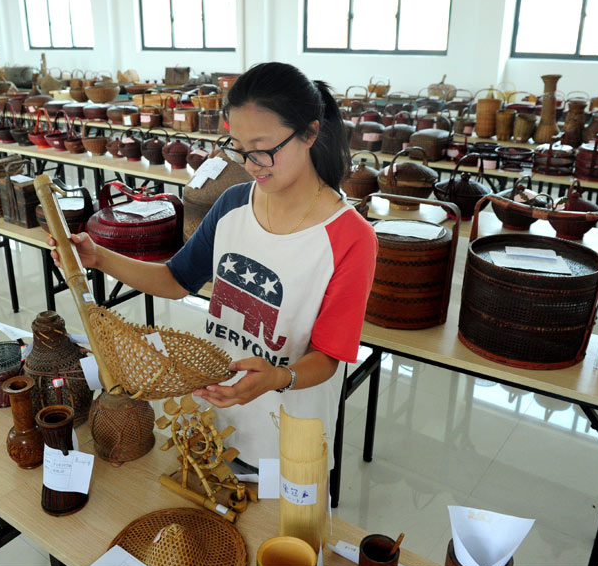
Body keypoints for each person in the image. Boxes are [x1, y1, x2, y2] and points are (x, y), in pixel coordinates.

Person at [47, 62, 377, 467]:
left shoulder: (349, 237)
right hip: (218, 415)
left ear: (309, 133)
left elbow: (328, 357)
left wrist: (278, 377)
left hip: (289, 434)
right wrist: (98, 257)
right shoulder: (234, 203)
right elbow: (175, 278)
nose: (251, 163)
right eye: (238, 146)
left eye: (263, 148)